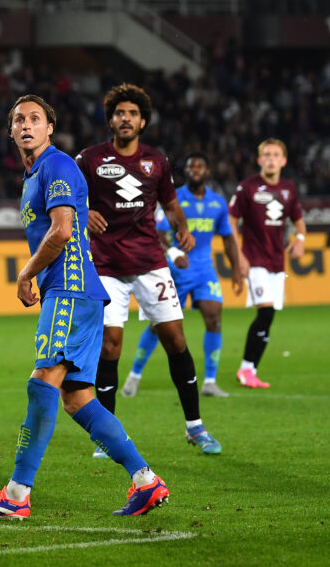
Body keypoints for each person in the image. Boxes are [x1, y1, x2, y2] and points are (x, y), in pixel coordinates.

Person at [0, 95, 169, 519]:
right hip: (80, 293)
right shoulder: (34, 175)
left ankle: (16, 495)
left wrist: (25, 275)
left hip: (70, 289)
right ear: (10, 131)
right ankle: (146, 481)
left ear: (50, 128)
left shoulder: (56, 165)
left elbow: (61, 231)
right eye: (18, 119)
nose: (26, 125)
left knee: (42, 382)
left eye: (35, 118)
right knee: (77, 399)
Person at [75, 83, 221, 455]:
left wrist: (182, 227)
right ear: (110, 120)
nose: (125, 119)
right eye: (119, 113)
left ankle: (195, 427)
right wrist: (83, 212)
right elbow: (67, 198)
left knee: (175, 339)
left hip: (150, 264)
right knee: (110, 345)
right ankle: (107, 435)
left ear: (143, 121)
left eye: (133, 113)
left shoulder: (157, 161)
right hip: (106, 266)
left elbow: (170, 204)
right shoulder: (89, 159)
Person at [121, 153, 243, 398]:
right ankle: (134, 375)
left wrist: (237, 270)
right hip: (174, 271)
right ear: (185, 171)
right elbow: (158, 234)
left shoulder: (218, 203)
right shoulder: (173, 200)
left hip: (204, 271)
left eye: (200, 166)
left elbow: (228, 239)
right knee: (159, 326)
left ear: (207, 172)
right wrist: (174, 253)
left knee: (214, 319)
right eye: (191, 167)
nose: (195, 170)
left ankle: (210, 382)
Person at [227, 138, 305, 389]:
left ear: (284, 161)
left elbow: (299, 221)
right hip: (254, 259)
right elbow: (231, 220)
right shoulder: (247, 187)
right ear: (260, 160)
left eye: (276, 155)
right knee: (266, 311)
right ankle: (246, 369)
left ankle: (249, 369)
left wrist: (300, 239)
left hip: (277, 262)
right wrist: (239, 256)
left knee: (268, 317)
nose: (271, 159)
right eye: (267, 155)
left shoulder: (289, 189)